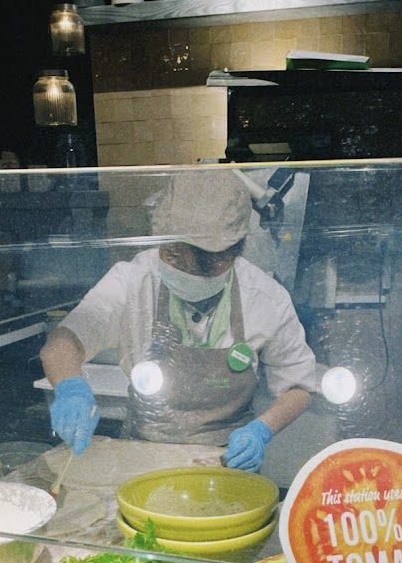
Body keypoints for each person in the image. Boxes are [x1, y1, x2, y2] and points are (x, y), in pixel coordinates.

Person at [40, 169, 317, 472]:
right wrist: (71, 387)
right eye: (174, 255)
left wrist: (261, 430)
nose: (188, 272)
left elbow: (298, 385)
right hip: (141, 455)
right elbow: (64, 342)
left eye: (207, 264)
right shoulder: (132, 279)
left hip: (225, 463)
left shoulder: (265, 297)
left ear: (235, 248)